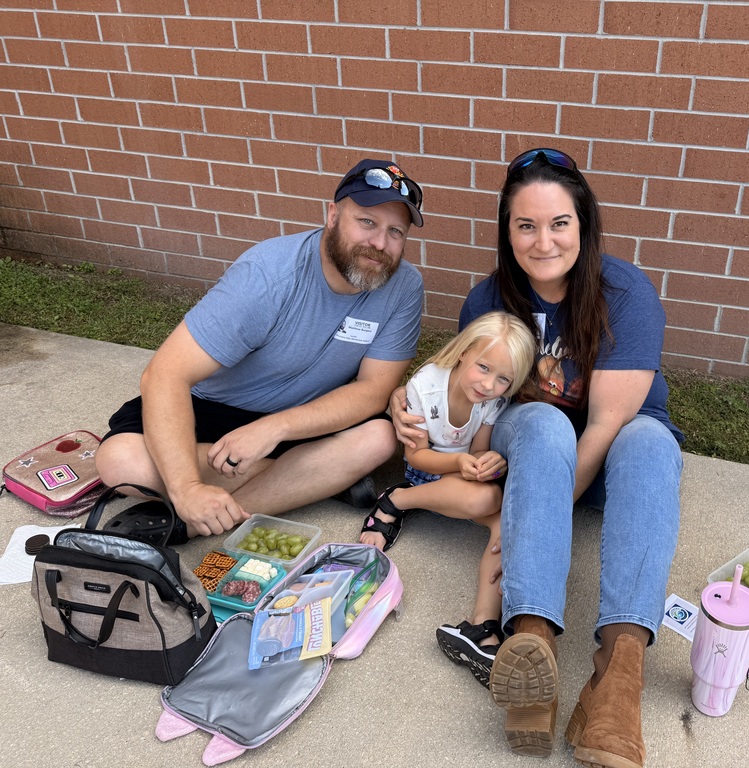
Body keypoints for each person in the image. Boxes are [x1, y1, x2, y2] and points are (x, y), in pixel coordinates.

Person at [392, 148, 683, 768]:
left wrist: (538, 510)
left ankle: (618, 680)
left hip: (612, 450)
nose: (543, 241)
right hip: (534, 442)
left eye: (559, 223)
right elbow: (456, 379)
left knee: (652, 442)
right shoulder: (489, 298)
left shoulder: (625, 293)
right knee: (548, 422)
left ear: (584, 225)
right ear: (507, 231)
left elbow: (607, 423)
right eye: (525, 225)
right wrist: (405, 398)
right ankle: (533, 643)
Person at [94, 158, 426, 543]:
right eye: (366, 222)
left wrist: (275, 427)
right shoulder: (268, 274)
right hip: (214, 408)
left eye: (395, 232)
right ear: (333, 215)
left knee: (379, 440)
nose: (379, 243)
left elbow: (372, 391)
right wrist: (185, 487)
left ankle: (204, 520)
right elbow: (165, 374)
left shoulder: (404, 287)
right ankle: (311, 478)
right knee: (120, 463)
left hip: (307, 416)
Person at [360, 310, 536, 687]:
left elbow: (479, 451)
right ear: (462, 354)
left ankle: (481, 629)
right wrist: (461, 463)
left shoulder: (492, 402)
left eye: (503, 378)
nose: (489, 384)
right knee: (484, 499)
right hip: (428, 467)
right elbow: (414, 455)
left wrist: (490, 462)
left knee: (506, 525)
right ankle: (398, 501)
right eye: (484, 368)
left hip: (460, 476)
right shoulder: (426, 386)